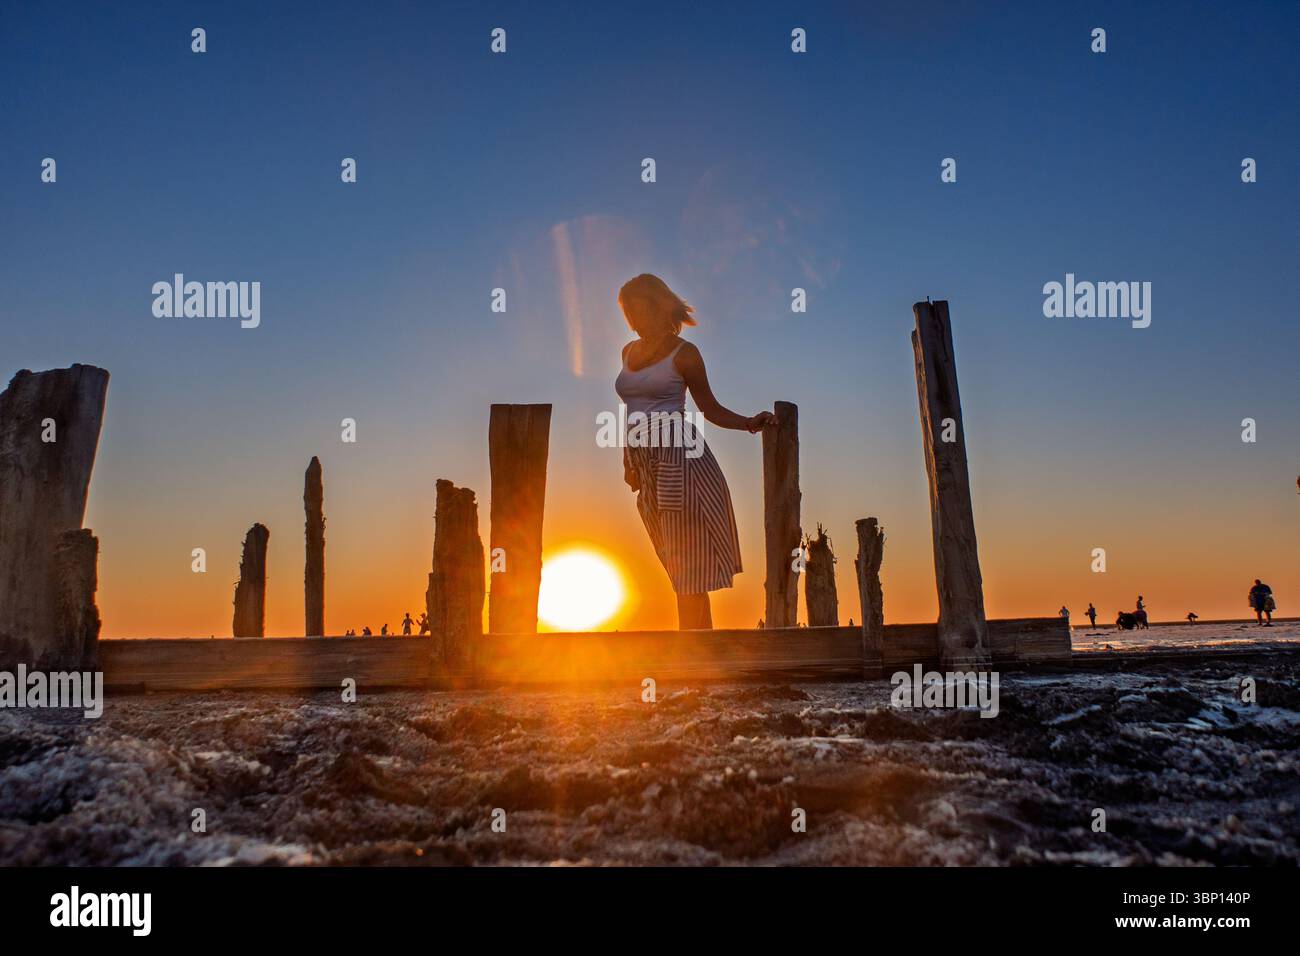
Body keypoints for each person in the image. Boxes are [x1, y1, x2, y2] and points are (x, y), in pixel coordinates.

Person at [614, 274, 775, 630]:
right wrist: (628, 459)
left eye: (637, 311)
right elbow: (631, 411)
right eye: (627, 314)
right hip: (644, 460)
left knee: (687, 565)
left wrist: (750, 422)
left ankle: (697, 654)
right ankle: (701, 652)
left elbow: (710, 409)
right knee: (674, 561)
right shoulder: (628, 351)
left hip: (678, 457)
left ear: (657, 306)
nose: (633, 321)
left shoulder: (685, 353)